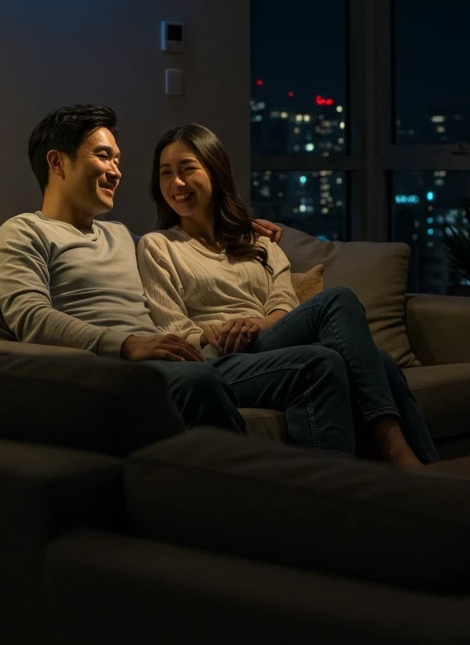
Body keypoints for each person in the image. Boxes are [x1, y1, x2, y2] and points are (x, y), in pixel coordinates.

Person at [0, 104, 356, 442]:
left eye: (117, 160)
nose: (116, 171)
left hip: (168, 360)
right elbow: (31, 318)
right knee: (200, 379)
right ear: (57, 162)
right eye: (104, 156)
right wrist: (127, 344)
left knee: (322, 361)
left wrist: (240, 229)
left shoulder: (122, 236)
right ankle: (246, 484)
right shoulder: (23, 232)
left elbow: (188, 249)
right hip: (110, 368)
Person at [136, 124, 439, 467]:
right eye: (166, 173)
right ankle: (390, 448)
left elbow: (284, 305)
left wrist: (256, 324)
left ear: (215, 171)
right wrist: (214, 332)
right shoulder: (158, 246)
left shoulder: (259, 242)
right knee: (334, 313)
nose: (176, 183)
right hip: (218, 358)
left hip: (266, 341)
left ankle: (431, 473)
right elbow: (173, 329)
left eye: (187, 169)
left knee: (380, 361)